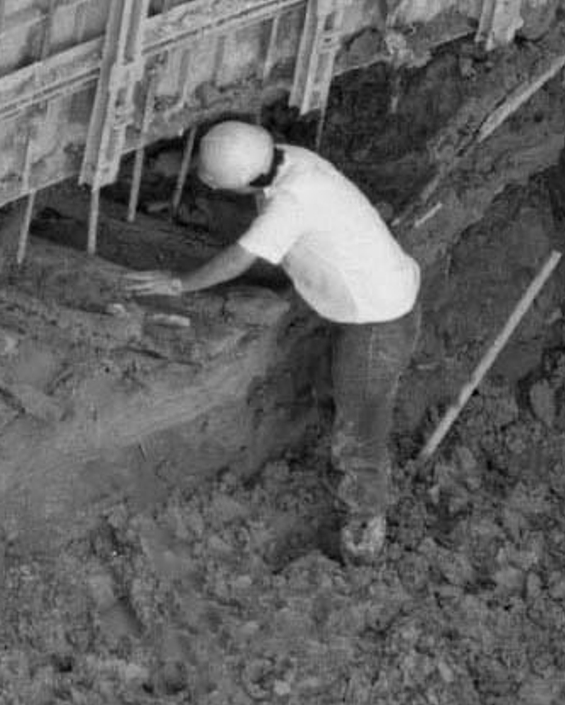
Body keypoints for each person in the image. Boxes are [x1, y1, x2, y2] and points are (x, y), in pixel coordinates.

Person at [124, 121, 422, 562]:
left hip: (377, 319)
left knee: (361, 425)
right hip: (380, 290)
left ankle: (366, 522)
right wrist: (181, 164)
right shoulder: (289, 159)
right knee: (345, 391)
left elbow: (240, 258)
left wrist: (180, 284)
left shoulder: (290, 203)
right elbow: (237, 156)